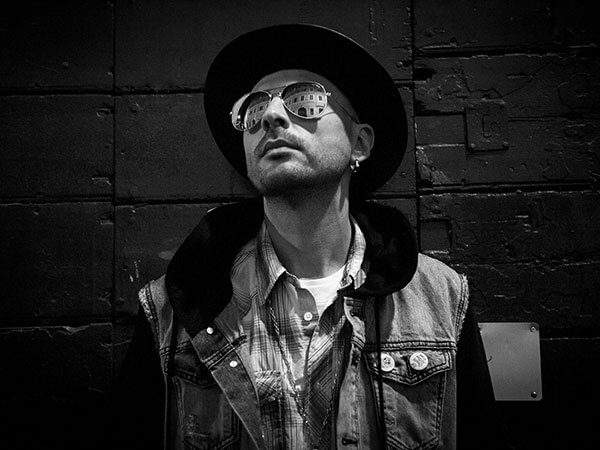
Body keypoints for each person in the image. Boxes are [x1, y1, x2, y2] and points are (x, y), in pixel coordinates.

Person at [111, 24, 503, 450]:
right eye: (254, 111)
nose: (272, 117)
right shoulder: (172, 311)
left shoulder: (442, 299)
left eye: (305, 101)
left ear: (359, 144)